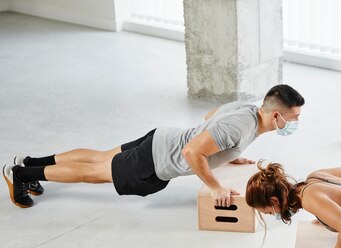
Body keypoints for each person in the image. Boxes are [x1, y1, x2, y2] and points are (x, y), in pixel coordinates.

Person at [3, 85, 305, 208]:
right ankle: (22, 174)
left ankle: (29, 161)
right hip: (158, 159)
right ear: (277, 115)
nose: (295, 123)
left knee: (99, 156)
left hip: (161, 138)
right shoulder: (241, 127)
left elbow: (209, 118)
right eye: (293, 118)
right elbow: (191, 152)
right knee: (91, 173)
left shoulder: (248, 110)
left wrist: (228, 155)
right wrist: (215, 186)